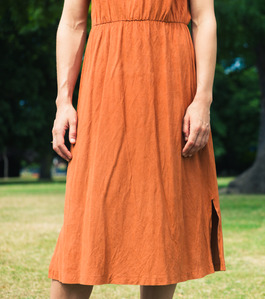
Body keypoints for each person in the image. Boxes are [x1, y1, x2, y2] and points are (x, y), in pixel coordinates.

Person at [49, 0, 226, 298]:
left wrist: (202, 100)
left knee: (162, 209)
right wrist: (63, 101)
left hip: (170, 83)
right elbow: (72, 22)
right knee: (87, 213)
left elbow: (204, 19)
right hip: (104, 82)